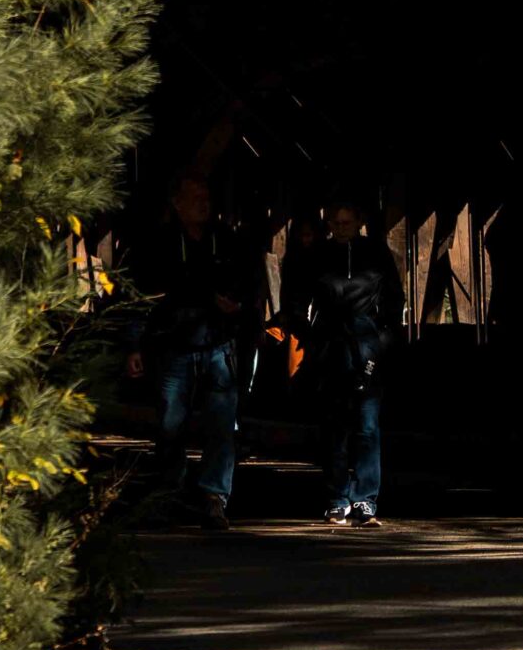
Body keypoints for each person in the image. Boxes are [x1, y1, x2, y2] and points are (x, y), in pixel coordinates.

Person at [127, 172, 264, 531]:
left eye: (207, 197)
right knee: (171, 424)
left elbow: (253, 289)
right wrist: (135, 344)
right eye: (195, 198)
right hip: (174, 348)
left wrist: (239, 310)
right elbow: (140, 297)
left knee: (221, 425)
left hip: (219, 345)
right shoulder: (159, 245)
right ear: (177, 204)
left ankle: (213, 498)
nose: (204, 204)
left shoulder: (228, 242)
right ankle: (170, 493)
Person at [290, 196, 403, 525]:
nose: (340, 229)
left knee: (367, 426)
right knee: (334, 426)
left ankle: (365, 499)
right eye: (334, 224)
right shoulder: (319, 256)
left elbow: (394, 299)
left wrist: (383, 338)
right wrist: (307, 335)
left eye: (346, 223)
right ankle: (338, 497)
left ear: (359, 222)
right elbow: (298, 297)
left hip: (367, 344)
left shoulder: (376, 254)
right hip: (329, 345)